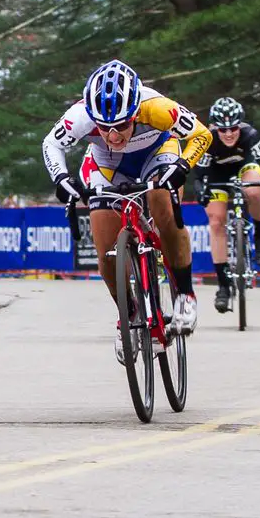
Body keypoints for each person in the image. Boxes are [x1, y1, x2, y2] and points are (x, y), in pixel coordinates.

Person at [42, 59, 212, 364]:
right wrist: (61, 179)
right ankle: (129, 314)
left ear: (135, 112)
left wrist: (182, 166)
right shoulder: (81, 115)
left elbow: (202, 135)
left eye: (122, 125)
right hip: (105, 166)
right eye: (105, 128)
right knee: (104, 245)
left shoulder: (157, 107)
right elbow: (51, 145)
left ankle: (185, 294)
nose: (114, 135)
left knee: (163, 205)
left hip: (157, 155)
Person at [191, 96, 260, 313]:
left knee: (254, 190)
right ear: (214, 127)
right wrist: (200, 191)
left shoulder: (251, 135)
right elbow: (199, 174)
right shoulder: (207, 139)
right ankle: (223, 285)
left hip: (245, 167)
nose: (228, 133)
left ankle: (259, 236)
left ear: (240, 125)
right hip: (216, 175)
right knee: (216, 222)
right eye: (223, 130)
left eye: (233, 128)